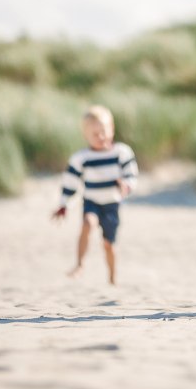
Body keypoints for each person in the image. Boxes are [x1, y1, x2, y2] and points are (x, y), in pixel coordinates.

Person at [52, 105, 138, 285]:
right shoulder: (81, 158)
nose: (100, 137)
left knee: (109, 245)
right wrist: (63, 204)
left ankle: (112, 278)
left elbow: (131, 174)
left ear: (112, 130)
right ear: (86, 136)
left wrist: (126, 186)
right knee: (87, 223)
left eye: (103, 132)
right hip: (91, 201)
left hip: (112, 204)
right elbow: (70, 183)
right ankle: (80, 264)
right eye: (94, 134)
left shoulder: (121, 153)